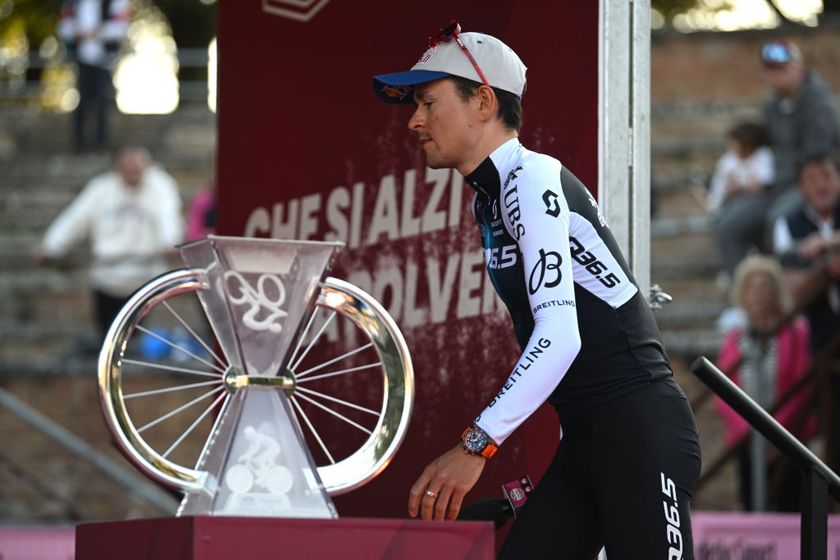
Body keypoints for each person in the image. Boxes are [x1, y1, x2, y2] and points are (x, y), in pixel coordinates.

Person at [372, 22, 700, 559]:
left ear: (482, 102)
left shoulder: (532, 178)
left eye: (429, 103)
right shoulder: (490, 197)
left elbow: (559, 336)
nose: (414, 121)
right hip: (586, 443)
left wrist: (476, 444)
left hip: (640, 434)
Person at [37, 146, 184, 340]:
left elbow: (168, 216)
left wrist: (170, 242)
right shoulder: (101, 188)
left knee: (135, 340)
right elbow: (75, 219)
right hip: (106, 277)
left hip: (145, 278)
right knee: (107, 338)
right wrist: (51, 245)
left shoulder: (160, 185)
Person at [714, 255, 814, 512]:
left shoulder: (795, 331)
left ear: (775, 291)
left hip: (788, 437)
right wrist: (749, 433)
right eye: (751, 288)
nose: (758, 294)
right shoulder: (735, 337)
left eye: (764, 287)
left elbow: (800, 385)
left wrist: (775, 433)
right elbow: (724, 389)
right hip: (747, 440)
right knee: (751, 504)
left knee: (789, 504)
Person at [773, 156, 840, 468]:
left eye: (827, 175)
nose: (822, 184)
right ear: (800, 188)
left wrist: (826, 242)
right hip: (825, 344)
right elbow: (793, 294)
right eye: (812, 179)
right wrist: (825, 270)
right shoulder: (788, 224)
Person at [761, 38, 840, 229]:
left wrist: (772, 178)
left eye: (782, 68)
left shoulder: (819, 104)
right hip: (777, 184)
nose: (777, 75)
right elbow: (767, 144)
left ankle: (787, 258)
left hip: (813, 183)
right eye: (772, 70)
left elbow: (815, 154)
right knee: (731, 223)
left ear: (799, 68)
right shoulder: (772, 106)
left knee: (777, 219)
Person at [58, 0, 130, 152]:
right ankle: (79, 144)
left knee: (103, 100)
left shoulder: (115, 3)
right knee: (82, 100)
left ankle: (101, 143)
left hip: (105, 61)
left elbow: (120, 28)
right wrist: (82, 33)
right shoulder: (73, 3)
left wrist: (94, 32)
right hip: (81, 59)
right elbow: (64, 28)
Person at [709, 122, 775, 287]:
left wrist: (742, 186)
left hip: (757, 207)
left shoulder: (764, 156)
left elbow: (763, 182)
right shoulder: (727, 161)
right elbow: (718, 192)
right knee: (723, 224)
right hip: (731, 206)